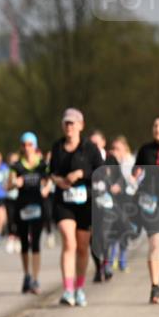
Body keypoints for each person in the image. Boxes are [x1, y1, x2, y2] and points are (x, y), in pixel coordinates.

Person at [47, 108, 103, 307]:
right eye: (66, 123)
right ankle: (68, 290)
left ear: (81, 125)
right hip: (64, 201)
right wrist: (58, 180)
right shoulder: (57, 147)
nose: (69, 126)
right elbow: (51, 172)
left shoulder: (90, 148)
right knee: (69, 242)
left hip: (86, 202)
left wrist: (81, 173)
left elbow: (101, 171)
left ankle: (79, 288)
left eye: (72, 123)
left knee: (82, 247)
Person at [10, 132, 50, 294]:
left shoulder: (42, 165)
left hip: (38, 205)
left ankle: (35, 278)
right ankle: (26, 275)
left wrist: (46, 188)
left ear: (35, 146)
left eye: (30, 144)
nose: (27, 148)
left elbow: (49, 180)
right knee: (24, 243)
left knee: (36, 243)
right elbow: (8, 185)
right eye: (24, 145)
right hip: (22, 206)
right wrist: (15, 183)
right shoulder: (17, 165)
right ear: (21, 147)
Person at [133, 117, 159, 304]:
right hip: (151, 202)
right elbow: (135, 172)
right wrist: (135, 176)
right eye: (155, 125)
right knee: (156, 244)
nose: (157, 128)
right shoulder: (145, 150)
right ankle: (155, 287)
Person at [106, 136, 138, 274]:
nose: (115, 151)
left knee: (124, 229)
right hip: (114, 200)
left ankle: (122, 259)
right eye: (113, 148)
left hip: (129, 199)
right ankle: (112, 258)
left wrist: (126, 182)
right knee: (114, 228)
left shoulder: (131, 162)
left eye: (118, 148)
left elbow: (136, 181)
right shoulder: (111, 162)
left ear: (125, 148)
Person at [88, 130, 114, 283]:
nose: (94, 147)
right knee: (93, 239)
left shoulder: (110, 159)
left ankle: (107, 264)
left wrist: (117, 185)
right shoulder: (86, 159)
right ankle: (98, 268)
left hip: (108, 204)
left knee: (104, 235)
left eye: (97, 143)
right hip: (91, 204)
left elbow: (120, 179)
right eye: (92, 144)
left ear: (103, 142)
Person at [4, 151, 22, 254]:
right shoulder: (6, 172)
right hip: (10, 198)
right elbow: (4, 186)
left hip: (20, 198)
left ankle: (19, 239)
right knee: (11, 219)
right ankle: (11, 238)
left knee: (19, 219)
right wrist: (12, 185)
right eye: (12, 161)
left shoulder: (22, 171)